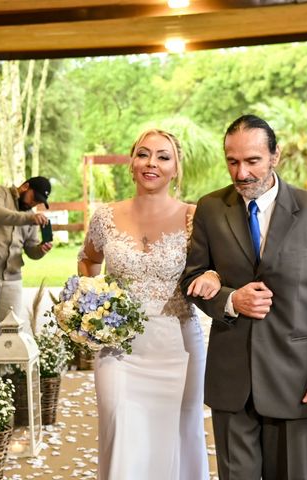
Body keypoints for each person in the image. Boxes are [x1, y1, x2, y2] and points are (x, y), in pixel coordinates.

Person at [180, 114, 307, 480]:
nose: (241, 173)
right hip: (232, 379)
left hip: (297, 380)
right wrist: (228, 299)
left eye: (252, 161)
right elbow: (192, 279)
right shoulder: (210, 208)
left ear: (275, 156)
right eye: (233, 161)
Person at [77, 129, 209, 480]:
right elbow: (88, 260)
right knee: (119, 424)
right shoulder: (105, 216)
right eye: (144, 154)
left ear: (176, 168)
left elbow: (214, 269)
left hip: (177, 344)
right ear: (131, 163)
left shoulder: (195, 218)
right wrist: (95, 304)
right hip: (118, 349)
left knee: (180, 433)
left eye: (163, 156)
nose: (152, 163)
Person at [0, 176, 53, 345]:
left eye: (38, 202)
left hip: (13, 275)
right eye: (34, 198)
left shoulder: (30, 216)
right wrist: (29, 218)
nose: (34, 204)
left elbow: (31, 248)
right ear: (25, 187)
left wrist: (40, 250)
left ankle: (6, 370)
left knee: (12, 327)